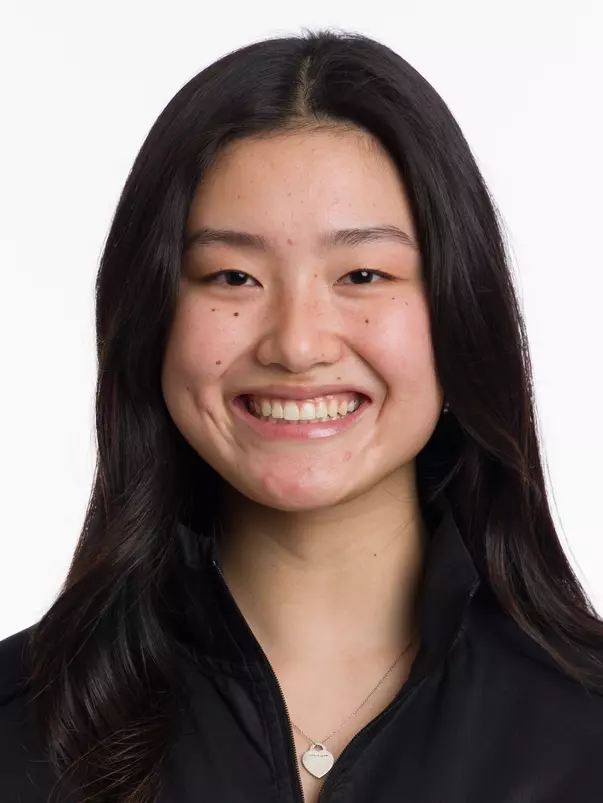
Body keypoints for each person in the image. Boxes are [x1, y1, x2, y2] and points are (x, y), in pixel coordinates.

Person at [1, 27, 602, 803]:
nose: (296, 342)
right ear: (151, 318)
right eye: (232, 275)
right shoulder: (19, 731)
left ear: (460, 312)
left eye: (361, 272)